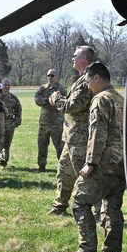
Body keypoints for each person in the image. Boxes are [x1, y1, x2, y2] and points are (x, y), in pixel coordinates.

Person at [63, 61, 125, 252]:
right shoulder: (121, 99)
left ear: (97, 78)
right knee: (112, 208)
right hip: (120, 164)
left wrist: (90, 163)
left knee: (79, 202)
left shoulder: (100, 100)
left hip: (103, 163)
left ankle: (86, 251)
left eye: (88, 80)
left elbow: (97, 133)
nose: (87, 85)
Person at [48, 46, 95, 215]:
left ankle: (98, 212)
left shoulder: (87, 79)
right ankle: (59, 207)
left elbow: (75, 105)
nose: (72, 59)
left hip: (80, 138)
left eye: (75, 56)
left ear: (84, 59)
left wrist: (57, 99)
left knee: (84, 177)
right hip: (71, 137)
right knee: (63, 173)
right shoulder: (80, 79)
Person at [34, 69, 66, 172]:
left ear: (56, 76)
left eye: (52, 75)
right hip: (44, 123)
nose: (50, 78)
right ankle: (41, 166)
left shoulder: (61, 89)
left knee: (60, 147)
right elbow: (37, 100)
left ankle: (63, 167)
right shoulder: (43, 88)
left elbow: (61, 104)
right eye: (48, 75)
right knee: (42, 145)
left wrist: (50, 102)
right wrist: (48, 100)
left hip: (57, 123)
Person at [0, 77, 22, 168]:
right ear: (1, 85)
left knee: (6, 145)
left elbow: (18, 111)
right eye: (5, 85)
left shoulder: (13, 98)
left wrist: (15, 123)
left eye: (8, 85)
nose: (6, 87)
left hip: (9, 125)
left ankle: (3, 163)